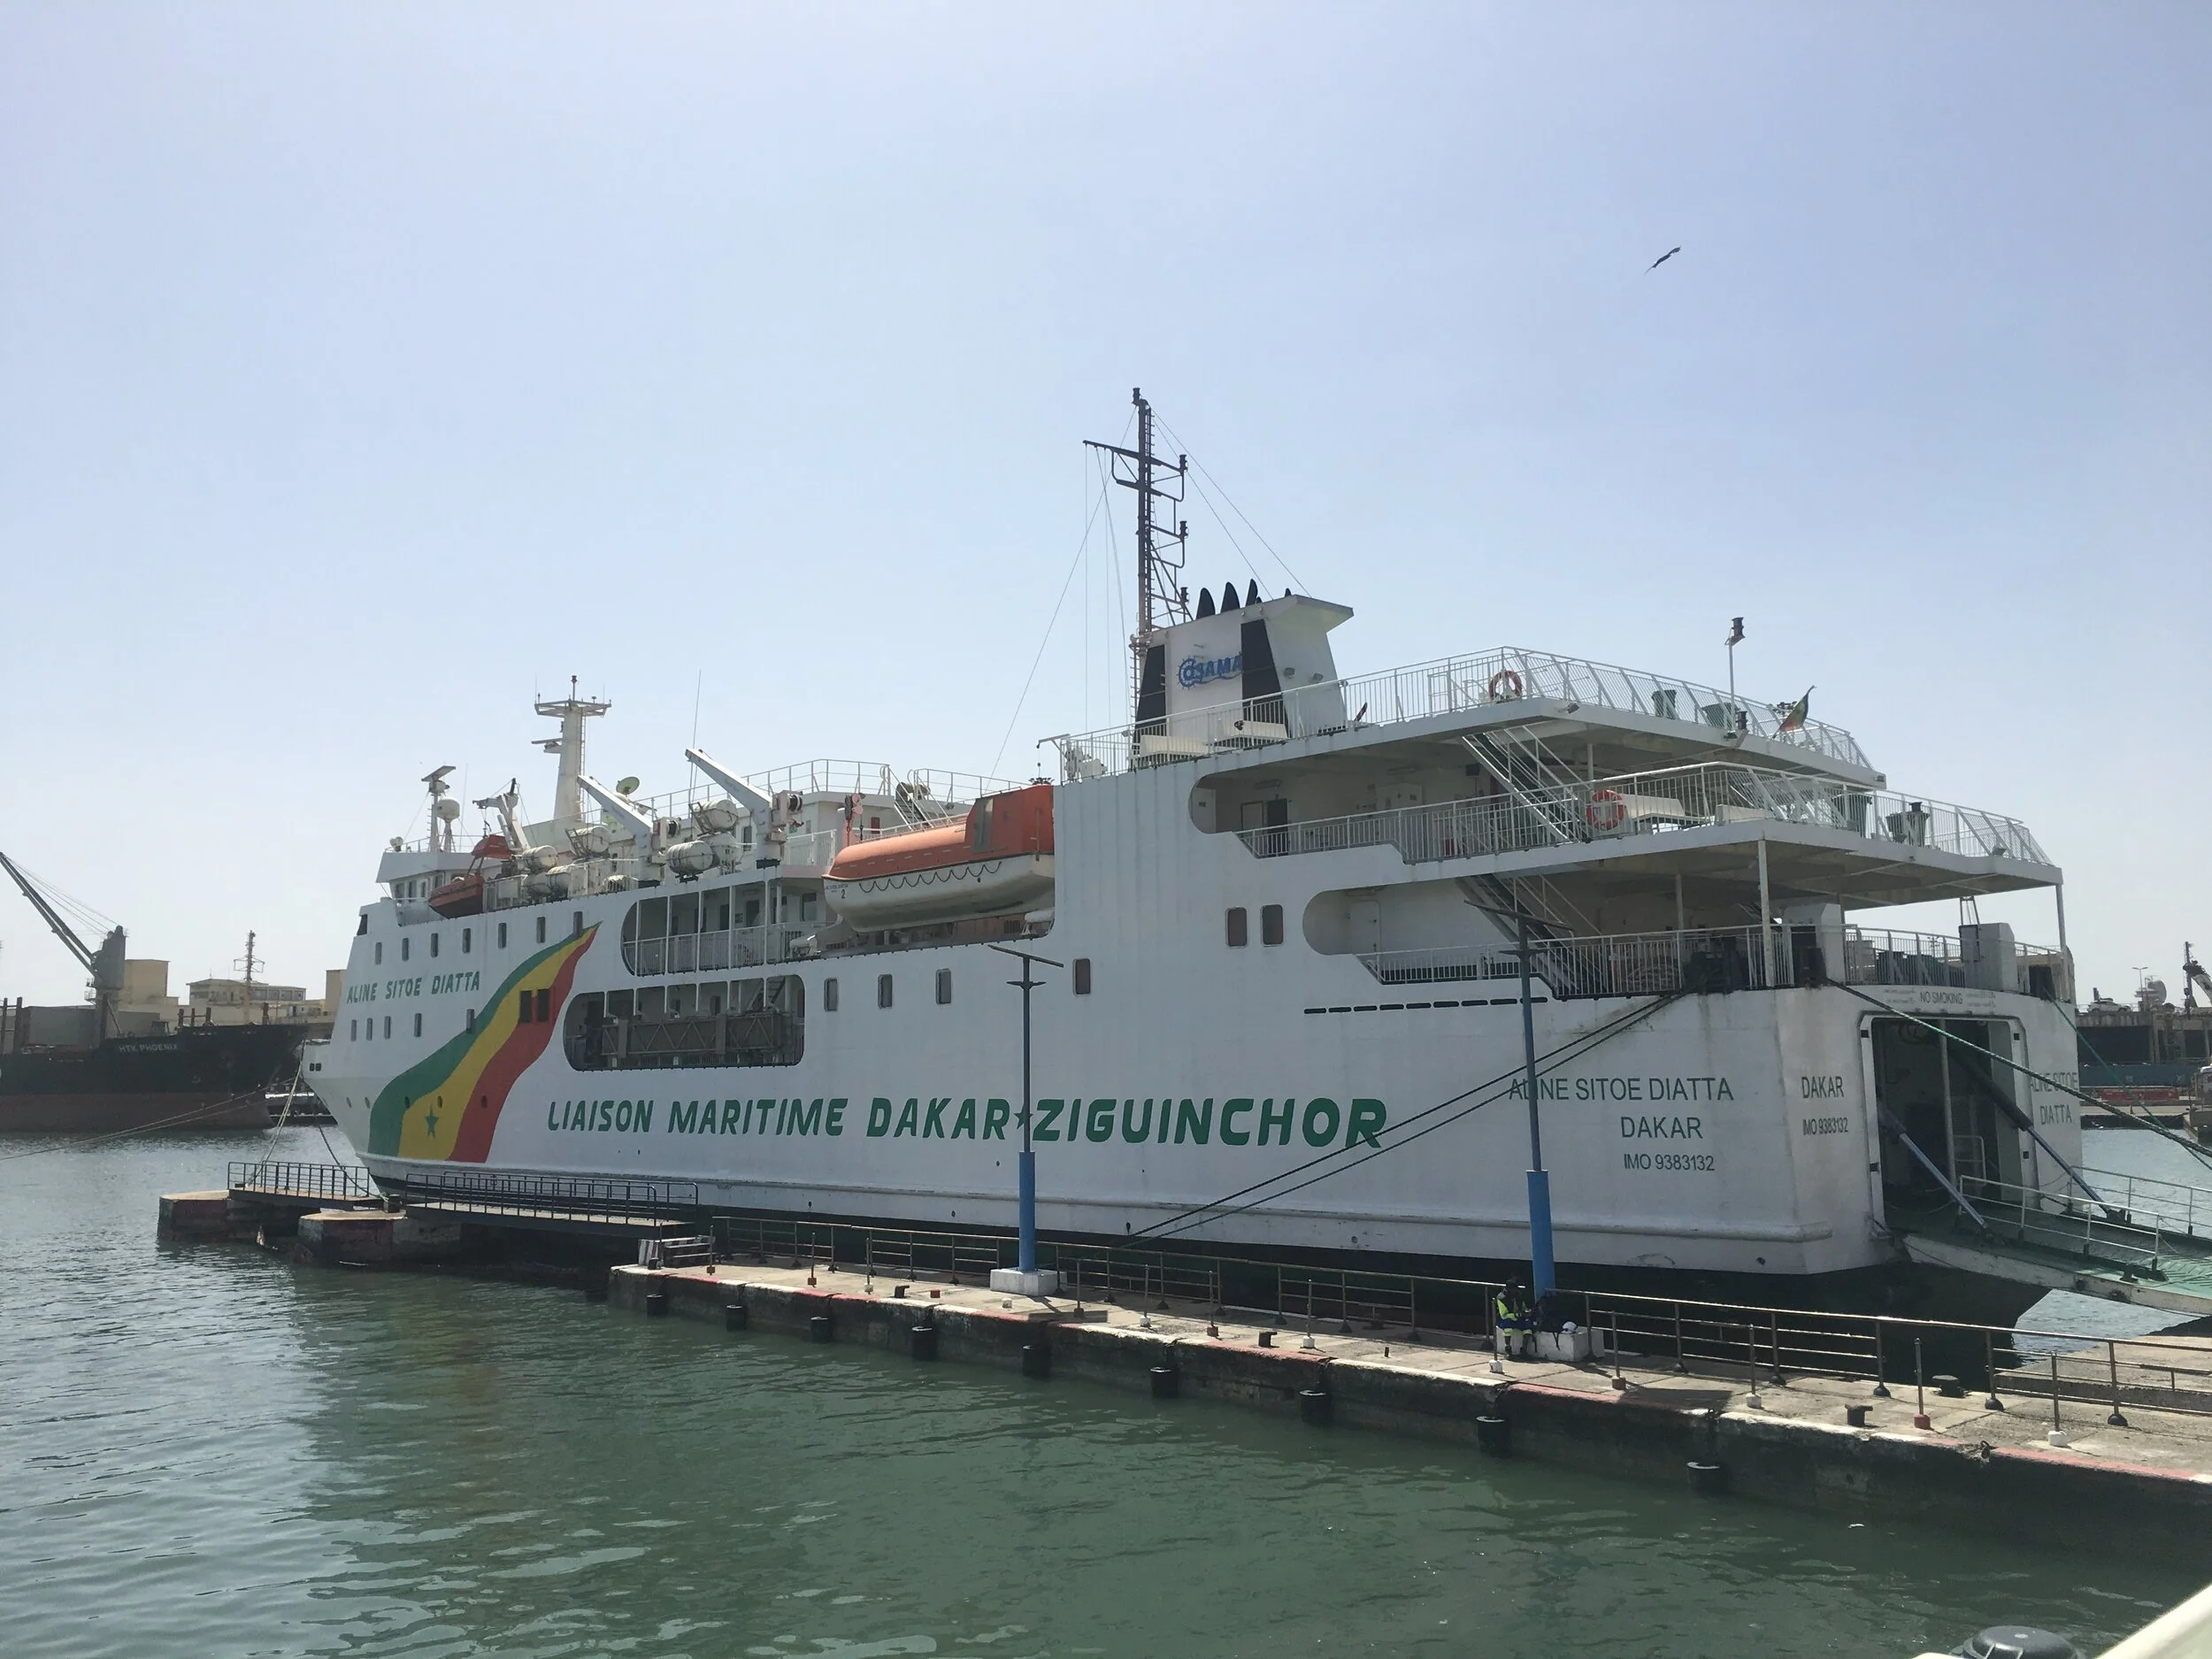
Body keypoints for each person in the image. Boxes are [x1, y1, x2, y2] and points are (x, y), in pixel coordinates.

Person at [1494, 1279, 1534, 1359]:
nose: (1515, 1291)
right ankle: (1508, 1350)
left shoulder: (1519, 1295)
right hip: (1504, 1320)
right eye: (1514, 1289)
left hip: (1518, 1318)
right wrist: (1516, 1315)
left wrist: (1526, 1312)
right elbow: (1503, 1315)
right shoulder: (1501, 1298)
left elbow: (1523, 1307)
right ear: (1509, 1289)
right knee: (1507, 1325)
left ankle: (1524, 1351)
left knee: (1528, 1324)